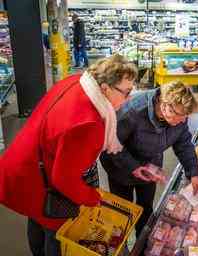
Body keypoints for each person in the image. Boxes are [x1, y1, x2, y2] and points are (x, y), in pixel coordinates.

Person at [0, 54, 137, 256]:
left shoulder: (77, 82)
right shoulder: (88, 124)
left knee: (36, 216)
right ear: (105, 88)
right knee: (56, 229)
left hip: (26, 166)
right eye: (126, 92)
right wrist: (92, 198)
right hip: (41, 178)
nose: (129, 98)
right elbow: (64, 180)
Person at [100, 81, 198, 237]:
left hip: (150, 167)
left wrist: (194, 173)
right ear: (164, 105)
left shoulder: (179, 115)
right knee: (122, 212)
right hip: (120, 168)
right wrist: (134, 167)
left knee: (145, 208)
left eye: (186, 116)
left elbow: (183, 144)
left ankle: (141, 244)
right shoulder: (133, 111)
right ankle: (120, 246)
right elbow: (110, 144)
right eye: (179, 116)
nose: (183, 121)